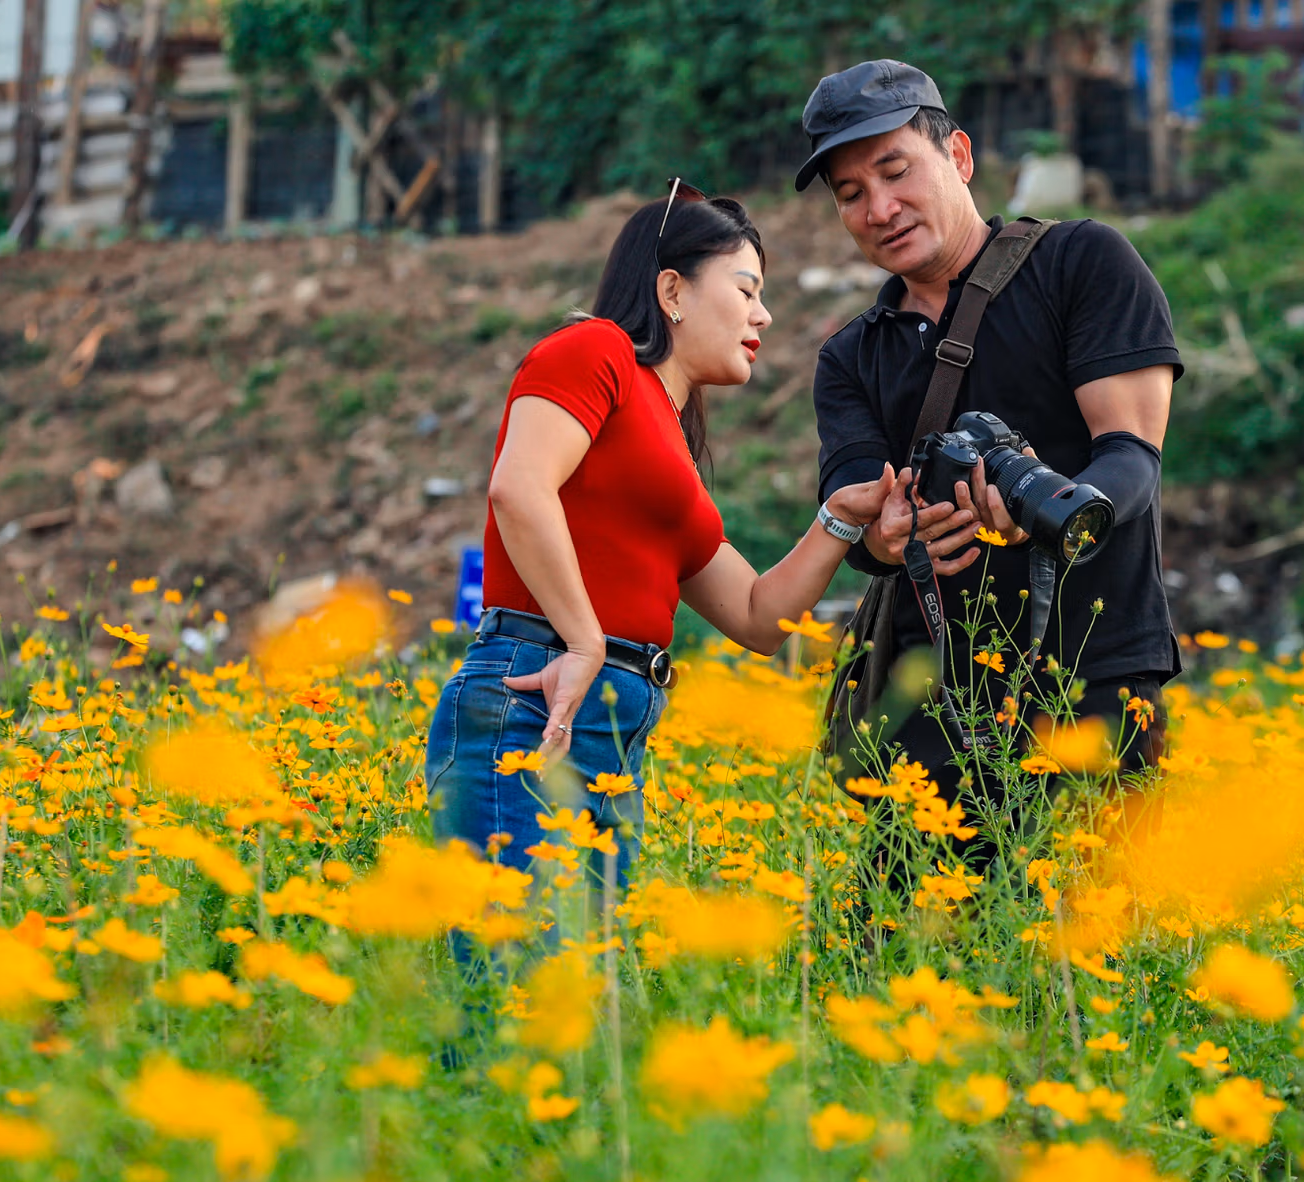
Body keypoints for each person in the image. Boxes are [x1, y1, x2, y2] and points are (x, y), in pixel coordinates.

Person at [425, 184, 901, 895]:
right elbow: (519, 489)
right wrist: (584, 642)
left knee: (582, 962)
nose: (763, 314)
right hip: (538, 695)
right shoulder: (595, 349)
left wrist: (840, 518)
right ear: (672, 291)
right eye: (746, 290)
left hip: (612, 723)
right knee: (520, 955)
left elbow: (757, 618)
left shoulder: (669, 442)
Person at [799, 61, 1184, 851]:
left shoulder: (1081, 264)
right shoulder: (851, 356)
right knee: (914, 928)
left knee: (1100, 924)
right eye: (851, 193)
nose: (879, 209)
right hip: (930, 703)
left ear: (960, 156)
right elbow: (855, 510)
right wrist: (891, 535)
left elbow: (1132, 457)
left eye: (896, 172)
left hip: (1093, 682)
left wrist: (1050, 510)